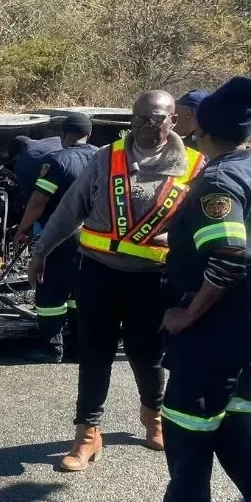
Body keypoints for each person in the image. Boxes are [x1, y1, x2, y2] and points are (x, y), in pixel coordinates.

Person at [133, 76, 251, 502]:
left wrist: (187, 314)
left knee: (187, 421)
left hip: (225, 318)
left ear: (202, 126)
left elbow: (226, 257)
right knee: (237, 417)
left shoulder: (217, 181)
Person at [28, 91, 206, 471]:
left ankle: (152, 415)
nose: (145, 126)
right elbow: (69, 208)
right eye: (138, 118)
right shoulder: (106, 157)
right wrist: (41, 250)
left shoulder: (195, 167)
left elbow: (203, 228)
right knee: (94, 353)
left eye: (155, 119)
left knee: (147, 355)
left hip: (153, 279)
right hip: (97, 271)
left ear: (173, 121)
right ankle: (87, 434)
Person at [13, 112, 97, 363]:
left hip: (62, 235)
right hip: (96, 237)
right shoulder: (103, 158)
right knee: (79, 291)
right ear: (89, 135)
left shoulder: (57, 161)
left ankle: (51, 347)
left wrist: (24, 228)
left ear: (64, 135)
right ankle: (78, 346)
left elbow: (39, 200)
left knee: (50, 290)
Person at [9, 134, 63, 218]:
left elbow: (28, 197)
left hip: (55, 195)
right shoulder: (54, 139)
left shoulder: (22, 161)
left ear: (16, 155)